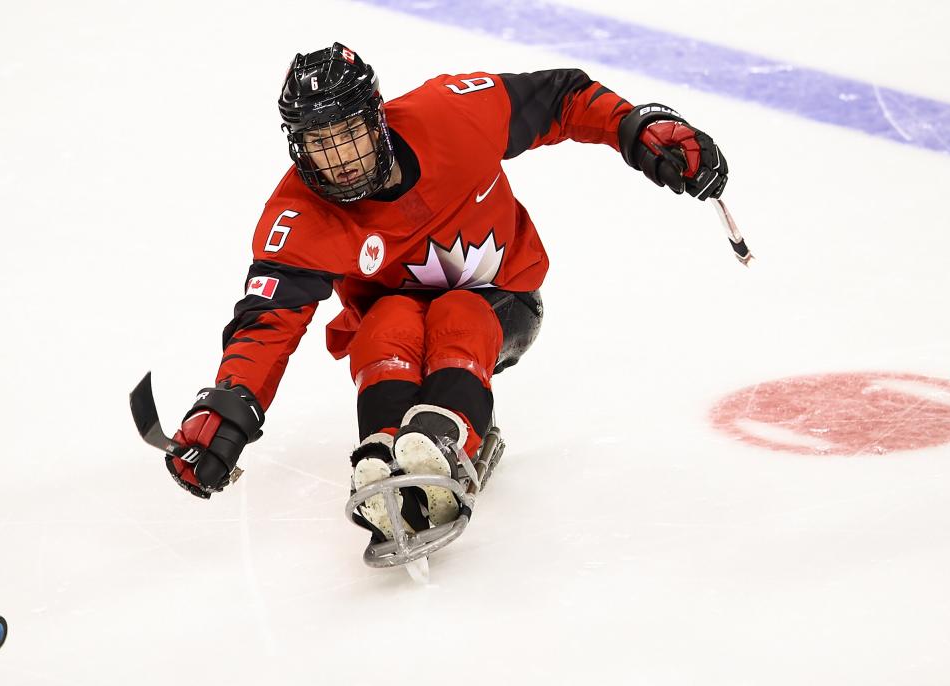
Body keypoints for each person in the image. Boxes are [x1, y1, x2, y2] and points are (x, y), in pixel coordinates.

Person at [161, 42, 728, 542]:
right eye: (319, 142)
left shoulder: (452, 112)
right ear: (296, 145)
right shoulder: (298, 216)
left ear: (377, 119)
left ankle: (446, 436)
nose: (339, 160)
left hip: (502, 303)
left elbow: (564, 97)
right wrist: (231, 406)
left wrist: (637, 128)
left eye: (348, 134)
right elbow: (267, 323)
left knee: (456, 310)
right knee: (388, 320)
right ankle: (383, 452)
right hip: (394, 330)